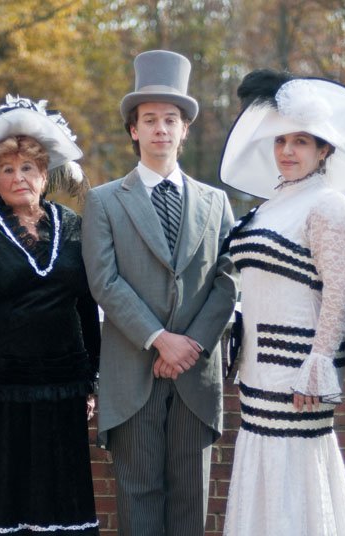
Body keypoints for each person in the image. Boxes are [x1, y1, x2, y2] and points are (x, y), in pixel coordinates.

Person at [81, 50, 238, 536]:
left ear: (184, 129)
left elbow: (229, 278)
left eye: (171, 119)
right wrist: (158, 338)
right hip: (134, 371)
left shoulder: (217, 201)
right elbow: (104, 281)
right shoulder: (104, 201)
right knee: (138, 498)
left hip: (197, 376)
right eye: (149, 120)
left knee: (193, 500)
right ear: (134, 130)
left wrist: (189, 345)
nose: (160, 130)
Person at [219, 72, 345, 535]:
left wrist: (319, 362)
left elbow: (339, 291)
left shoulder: (330, 206)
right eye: (281, 140)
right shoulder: (270, 204)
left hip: (298, 371)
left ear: (324, 149)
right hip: (256, 365)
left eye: (301, 142)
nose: (288, 151)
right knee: (262, 466)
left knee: (295, 477)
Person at [0, 96, 101, 535]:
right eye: (7, 170)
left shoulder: (73, 226)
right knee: (1, 501)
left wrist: (92, 379)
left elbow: (86, 304)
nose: (18, 177)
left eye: (27, 168)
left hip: (61, 384)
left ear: (45, 175)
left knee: (58, 500)